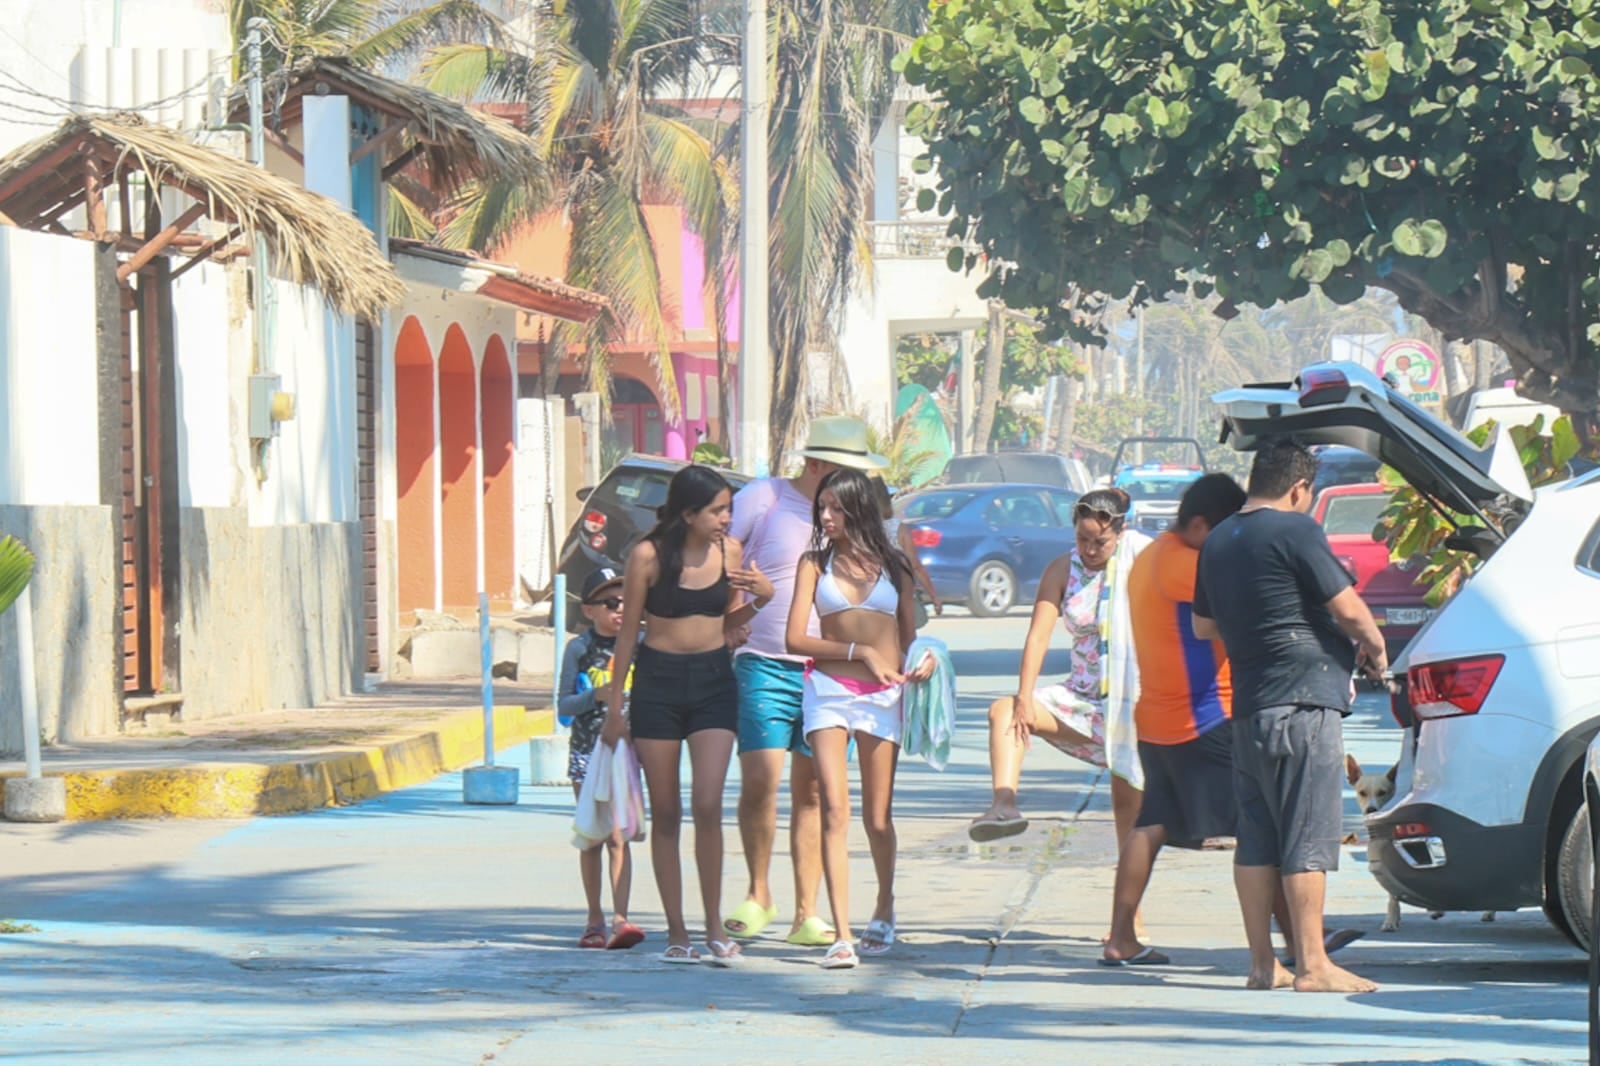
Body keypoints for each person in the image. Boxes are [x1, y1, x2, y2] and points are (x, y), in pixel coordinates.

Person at [1192, 439, 1386, 994]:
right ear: (1299, 487)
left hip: (1251, 708)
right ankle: (1313, 965)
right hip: (1305, 705)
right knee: (1308, 835)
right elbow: (1348, 608)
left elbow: (1205, 626)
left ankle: (1262, 965)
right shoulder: (1296, 530)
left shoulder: (1218, 539)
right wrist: (1376, 649)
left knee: (1257, 839)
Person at [722, 416, 887, 948]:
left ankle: (806, 913)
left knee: (814, 789)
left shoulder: (854, 522)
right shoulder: (765, 497)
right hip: (764, 660)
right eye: (842, 470)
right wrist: (732, 610)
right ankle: (758, 892)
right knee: (760, 777)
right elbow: (726, 546)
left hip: (828, 674)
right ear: (815, 464)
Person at [601, 465, 774, 966]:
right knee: (667, 810)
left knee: (708, 802)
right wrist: (615, 708)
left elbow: (728, 623)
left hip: (713, 682)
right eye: (717, 510)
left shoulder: (731, 553)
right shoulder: (647, 556)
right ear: (688, 513)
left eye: (729, 509)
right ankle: (677, 931)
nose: (727, 519)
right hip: (657, 683)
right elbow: (628, 634)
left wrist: (762, 600)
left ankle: (714, 926)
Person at [785, 467, 934, 968]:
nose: (826, 516)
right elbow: (795, 639)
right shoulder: (814, 563)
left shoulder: (895, 564)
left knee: (877, 816)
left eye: (836, 508)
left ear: (858, 509)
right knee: (834, 808)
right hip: (827, 691)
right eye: (821, 508)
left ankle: (884, 905)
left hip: (884, 695)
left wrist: (928, 659)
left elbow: (910, 637)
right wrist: (859, 651)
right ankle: (842, 935)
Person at [968, 488, 1150, 888]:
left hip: (1129, 706)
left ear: (1120, 533)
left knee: (1128, 819)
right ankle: (1004, 805)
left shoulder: (1141, 560)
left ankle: (1129, 915)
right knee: (1004, 711)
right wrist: (1024, 696)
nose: (1089, 550)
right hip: (1080, 702)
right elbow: (1038, 636)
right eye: (1082, 539)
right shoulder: (1062, 570)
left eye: (1100, 542)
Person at [1101, 474, 1246, 966]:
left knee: (1151, 824)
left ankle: (1121, 937)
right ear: (1201, 525)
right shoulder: (1186, 564)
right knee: (1260, 827)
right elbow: (1246, 606)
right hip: (1202, 718)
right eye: (1225, 533)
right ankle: (1298, 943)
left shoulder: (1150, 556)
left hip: (1158, 719)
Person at [558, 566, 646, 952]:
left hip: (626, 753)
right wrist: (596, 695)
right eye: (610, 603)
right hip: (586, 752)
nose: (620, 609)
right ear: (589, 610)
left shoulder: (642, 643)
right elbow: (563, 705)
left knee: (618, 836)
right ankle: (594, 918)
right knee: (593, 835)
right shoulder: (579, 649)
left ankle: (621, 917)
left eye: (627, 601)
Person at [872, 476, 943, 620]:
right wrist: (934, 596)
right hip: (897, 594)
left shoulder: (857, 530)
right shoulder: (898, 528)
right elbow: (915, 566)